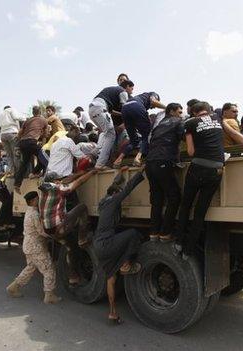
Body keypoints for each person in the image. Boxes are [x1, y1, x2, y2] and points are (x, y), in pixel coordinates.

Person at [176, 102, 243, 258]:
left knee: (186, 205)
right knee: (200, 212)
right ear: (209, 111)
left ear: (194, 113)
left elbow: (191, 151)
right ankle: (188, 251)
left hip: (198, 168)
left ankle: (178, 242)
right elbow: (236, 135)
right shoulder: (218, 120)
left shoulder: (191, 123)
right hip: (216, 170)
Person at [93, 167, 145, 325]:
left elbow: (114, 185)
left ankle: (112, 312)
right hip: (107, 243)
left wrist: (119, 174)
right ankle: (126, 264)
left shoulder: (103, 202)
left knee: (111, 279)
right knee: (134, 234)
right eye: (118, 192)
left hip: (98, 246)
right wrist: (141, 171)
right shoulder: (114, 199)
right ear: (115, 194)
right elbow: (127, 189)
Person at [39, 170, 96, 284]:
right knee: (82, 207)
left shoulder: (44, 188)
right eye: (58, 180)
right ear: (55, 181)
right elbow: (78, 182)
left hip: (50, 231)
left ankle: (73, 277)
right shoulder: (57, 188)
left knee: (71, 248)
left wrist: (80, 172)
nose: (60, 181)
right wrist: (92, 172)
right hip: (60, 227)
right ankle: (82, 238)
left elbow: (66, 180)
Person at [6, 191, 62, 304]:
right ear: (32, 201)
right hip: (36, 246)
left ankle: (13, 287)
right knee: (49, 269)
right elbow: (40, 231)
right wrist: (54, 236)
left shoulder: (29, 211)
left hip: (28, 245)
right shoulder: (35, 214)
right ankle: (49, 295)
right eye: (37, 199)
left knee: (30, 268)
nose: (39, 200)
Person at [145, 103, 184, 242]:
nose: (181, 114)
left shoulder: (158, 125)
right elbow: (185, 138)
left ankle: (154, 233)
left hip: (149, 163)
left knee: (157, 199)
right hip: (163, 161)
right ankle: (165, 232)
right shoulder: (177, 122)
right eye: (179, 112)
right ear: (172, 111)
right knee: (174, 197)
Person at [89, 80, 134, 170]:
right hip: (100, 109)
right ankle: (100, 164)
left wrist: (121, 115)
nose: (132, 92)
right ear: (128, 86)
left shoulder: (110, 91)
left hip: (92, 109)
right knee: (111, 134)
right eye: (132, 89)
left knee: (106, 133)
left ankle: (94, 153)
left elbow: (111, 111)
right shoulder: (123, 91)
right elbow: (125, 108)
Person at [116, 91, 166, 167]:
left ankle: (118, 160)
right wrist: (167, 108)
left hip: (125, 109)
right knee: (146, 136)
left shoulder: (140, 98)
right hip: (136, 106)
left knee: (133, 141)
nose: (153, 108)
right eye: (154, 107)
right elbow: (153, 101)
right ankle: (138, 158)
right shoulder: (153, 94)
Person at [16, 107, 49, 189]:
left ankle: (17, 184)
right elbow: (45, 135)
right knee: (45, 159)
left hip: (23, 143)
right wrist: (43, 144)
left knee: (24, 164)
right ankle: (47, 177)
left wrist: (18, 144)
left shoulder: (27, 121)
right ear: (40, 112)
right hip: (32, 142)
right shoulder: (44, 120)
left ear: (32, 113)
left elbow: (19, 134)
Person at [0, 105, 23, 175]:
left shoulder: (1, 115)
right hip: (12, 133)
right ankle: (18, 172)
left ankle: (12, 171)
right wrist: (25, 118)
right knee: (15, 154)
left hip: (3, 135)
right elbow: (16, 117)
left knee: (9, 155)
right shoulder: (11, 110)